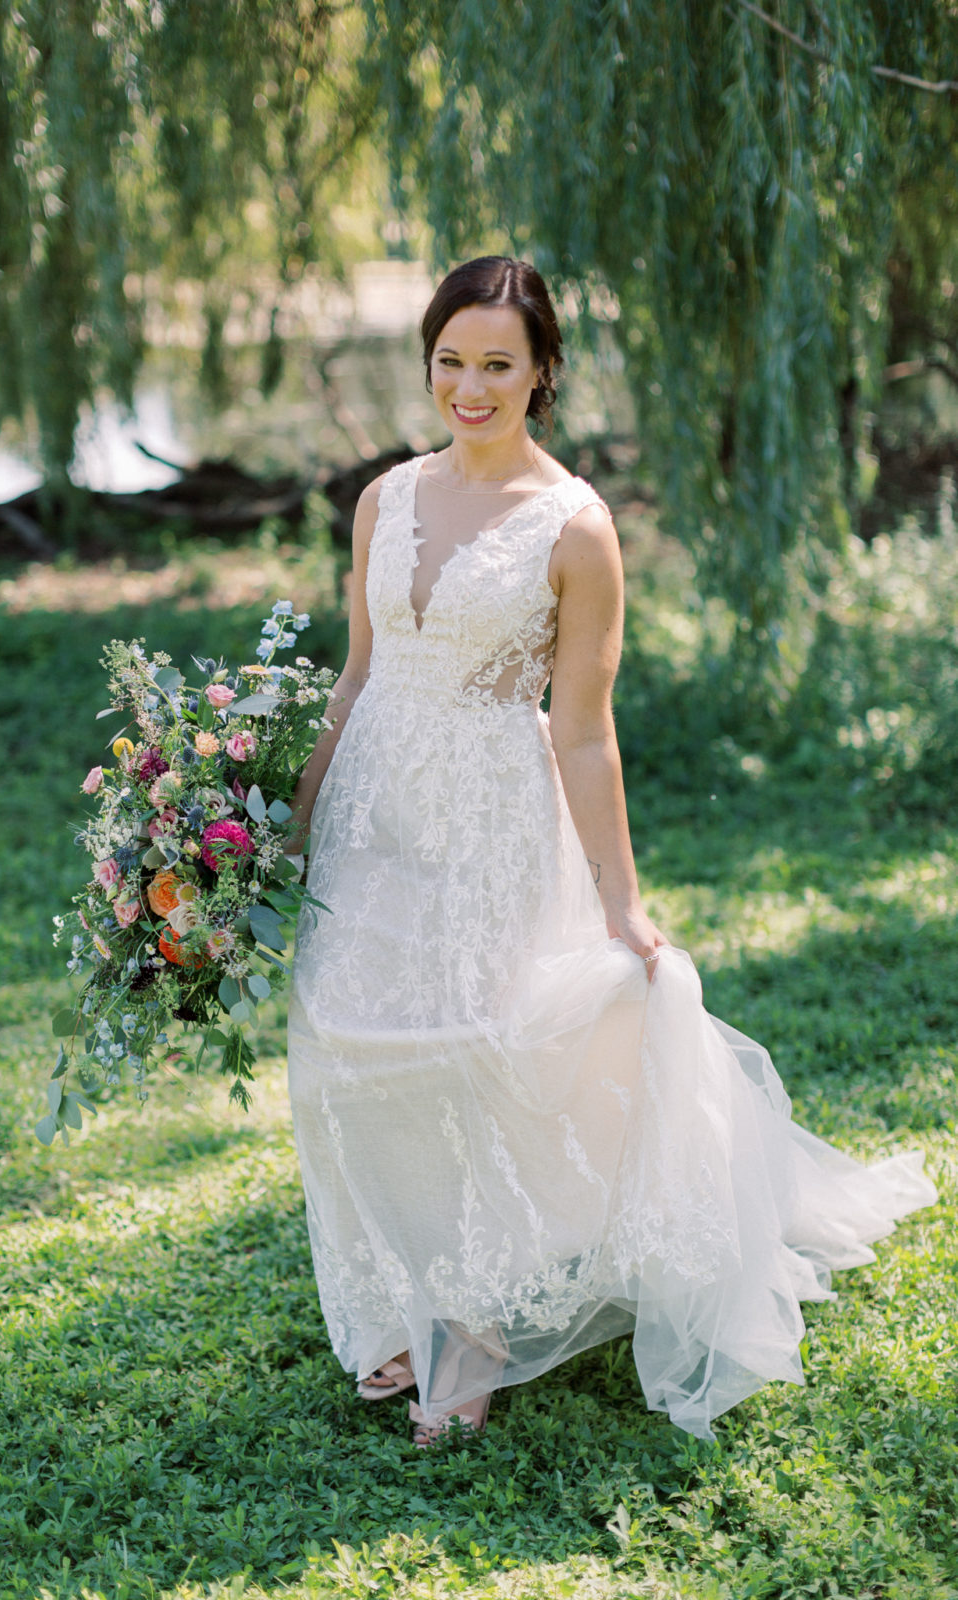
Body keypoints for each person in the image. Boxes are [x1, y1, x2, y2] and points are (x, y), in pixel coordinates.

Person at [285, 255, 936, 1447]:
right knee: (341, 1041)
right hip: (372, 805)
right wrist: (294, 811)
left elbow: (583, 733)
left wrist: (619, 903)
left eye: (496, 365)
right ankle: (395, 1295)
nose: (468, 388)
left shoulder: (573, 527)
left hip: (487, 812)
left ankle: (474, 1322)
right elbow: (358, 673)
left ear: (541, 374)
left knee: (469, 1053)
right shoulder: (386, 498)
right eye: (449, 362)